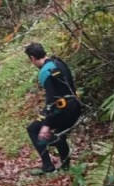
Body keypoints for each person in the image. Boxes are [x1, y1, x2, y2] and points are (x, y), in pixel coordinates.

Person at [25, 43, 81, 173]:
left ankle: (48, 165)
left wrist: (46, 124)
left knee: (33, 129)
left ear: (33, 58)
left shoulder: (45, 71)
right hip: (76, 107)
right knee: (58, 132)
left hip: (64, 111)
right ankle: (66, 167)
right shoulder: (59, 62)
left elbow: (51, 100)